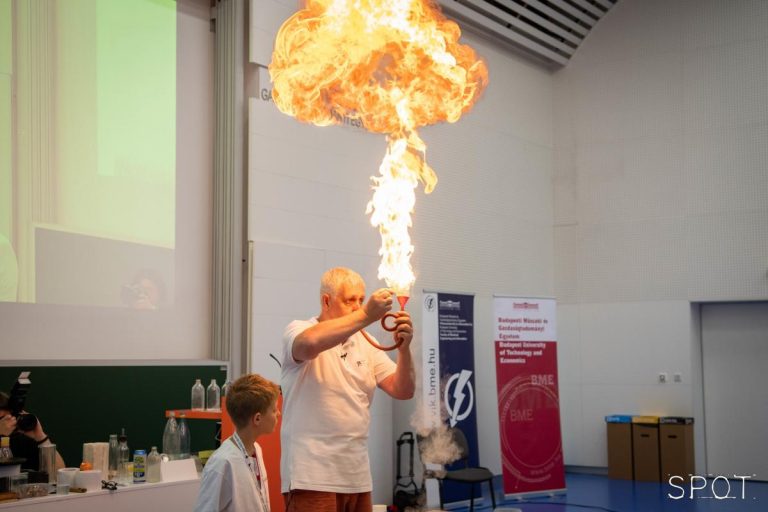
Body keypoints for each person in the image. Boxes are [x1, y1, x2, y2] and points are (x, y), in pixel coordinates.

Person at [281, 267, 415, 512]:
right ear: (326, 301)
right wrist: (366, 314)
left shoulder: (367, 344)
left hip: (356, 475)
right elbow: (309, 344)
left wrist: (404, 350)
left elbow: (403, 390)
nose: (357, 306)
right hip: (312, 476)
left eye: (361, 300)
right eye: (349, 300)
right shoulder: (299, 329)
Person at [194, 373, 281, 512]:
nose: (278, 413)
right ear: (257, 419)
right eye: (274, 410)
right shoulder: (222, 463)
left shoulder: (256, 449)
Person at [0, 392, 65, 471]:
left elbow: (58, 473)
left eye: (10, 417)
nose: (8, 423)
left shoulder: (21, 439)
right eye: (2, 419)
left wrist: (41, 438)